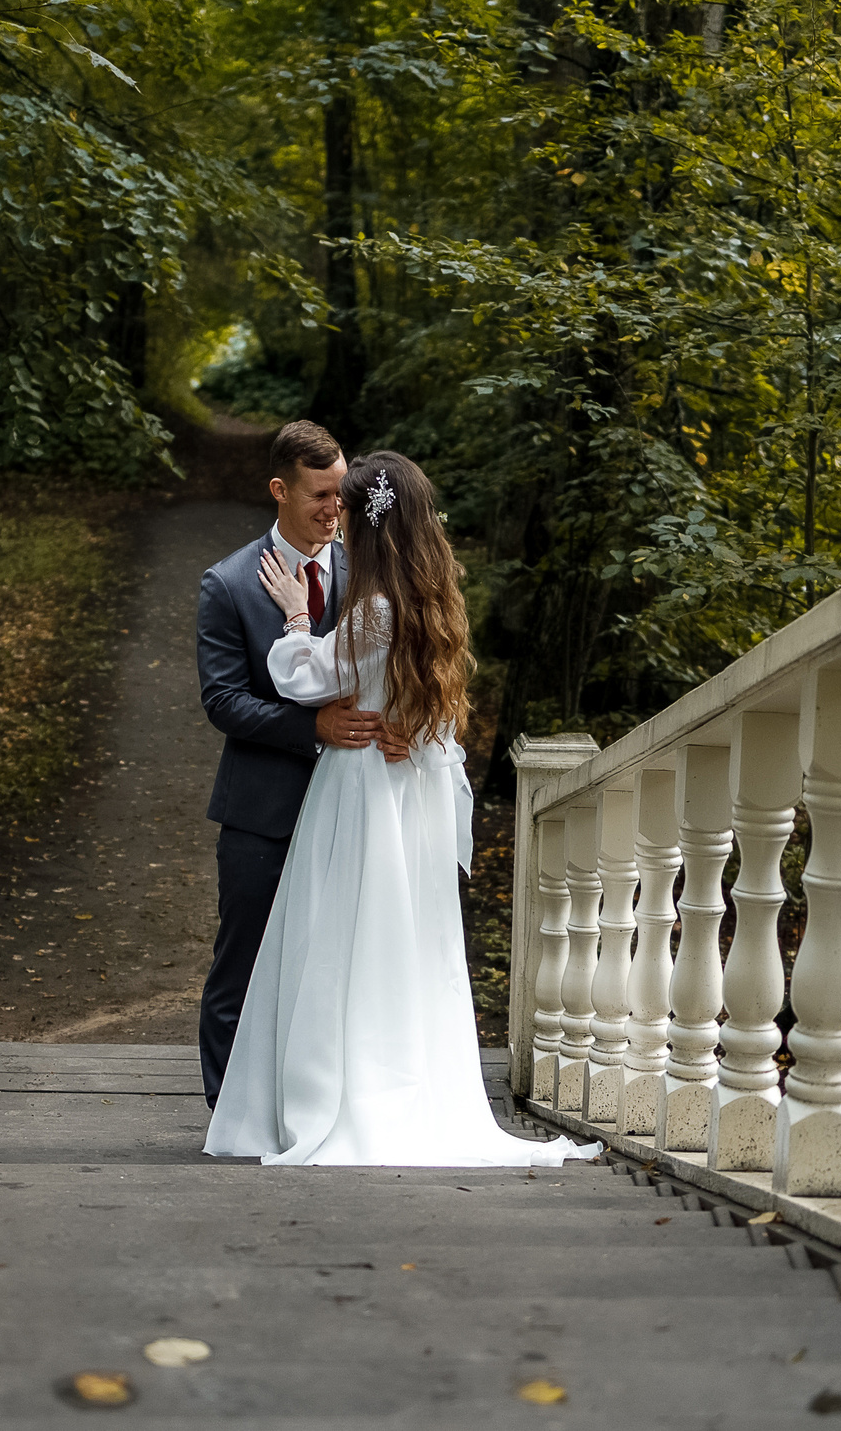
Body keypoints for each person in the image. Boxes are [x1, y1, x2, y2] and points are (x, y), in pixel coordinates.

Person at [204, 452, 599, 1167]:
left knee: (341, 937)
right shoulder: (429, 602)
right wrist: (411, 732)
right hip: (405, 792)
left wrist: (296, 615)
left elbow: (301, 675)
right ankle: (389, 1078)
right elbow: (438, 721)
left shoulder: (375, 609)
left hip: (359, 793)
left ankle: (335, 1090)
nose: (338, 524)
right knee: (396, 940)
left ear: (370, 525)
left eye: (346, 512)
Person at [193, 420, 387, 1109]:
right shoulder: (228, 582)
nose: (336, 508)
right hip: (261, 811)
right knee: (242, 966)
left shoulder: (368, 572)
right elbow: (223, 701)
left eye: (341, 493)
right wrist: (313, 727)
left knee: (334, 967)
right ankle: (228, 1113)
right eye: (320, 494)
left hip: (354, 803)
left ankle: (314, 1110)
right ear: (279, 490)